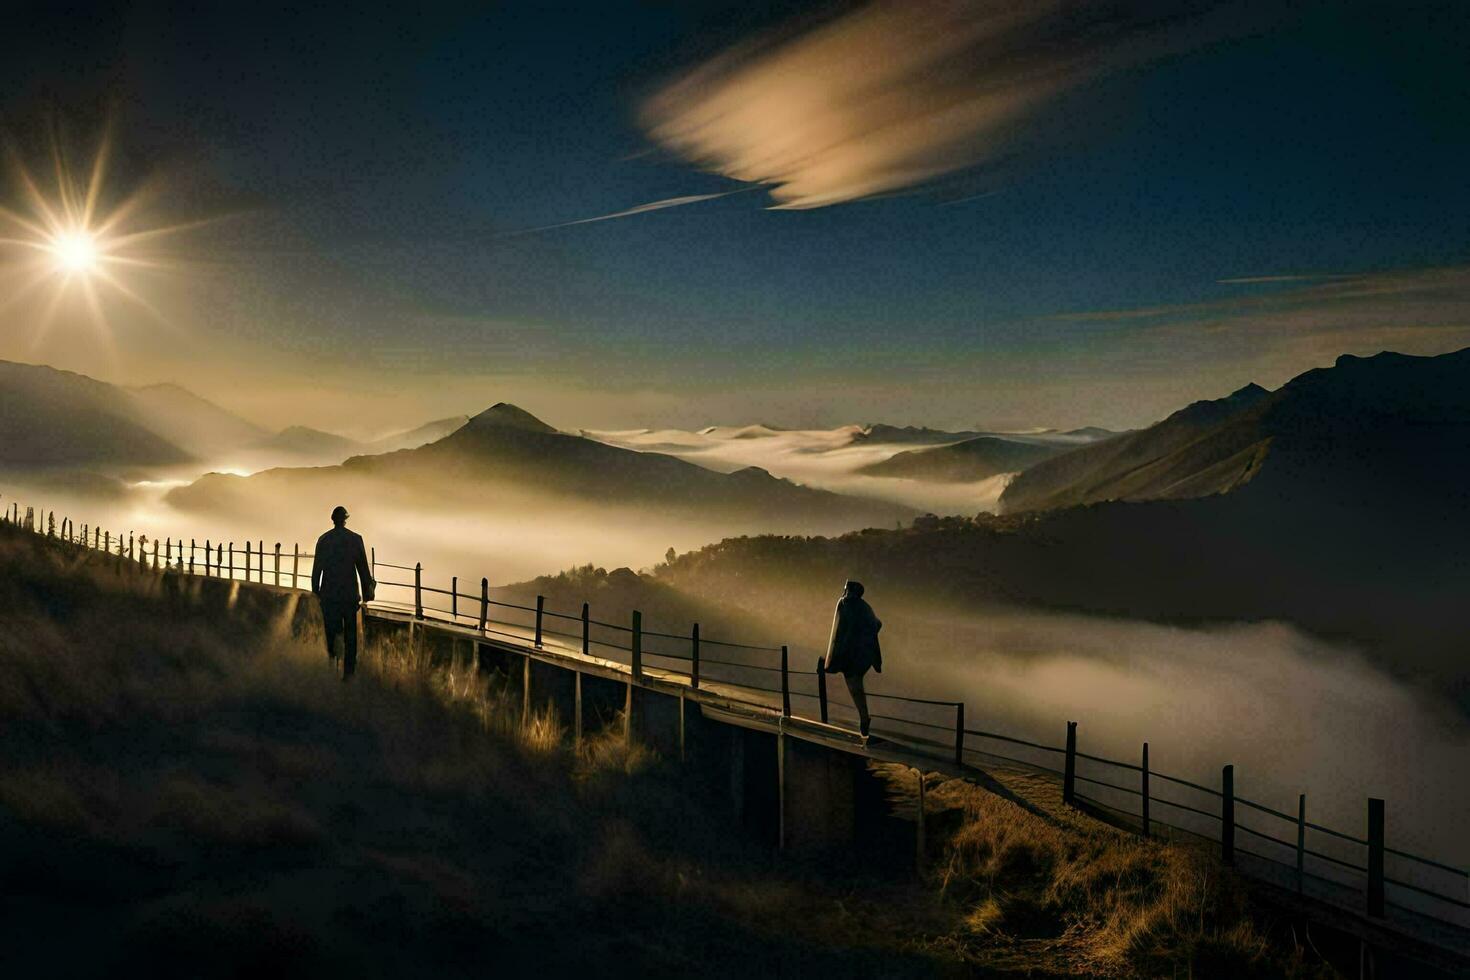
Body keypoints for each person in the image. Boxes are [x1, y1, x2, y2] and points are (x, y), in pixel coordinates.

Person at [312, 505, 375, 678]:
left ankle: (331, 667)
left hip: (329, 595)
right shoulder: (355, 539)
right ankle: (349, 673)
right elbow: (363, 570)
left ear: (333, 519)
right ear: (345, 519)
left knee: (331, 633)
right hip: (348, 596)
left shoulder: (324, 540)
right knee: (350, 637)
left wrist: (315, 591)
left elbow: (317, 569)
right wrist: (368, 592)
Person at [822, 579, 882, 738]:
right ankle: (864, 719)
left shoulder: (845, 602)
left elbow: (842, 630)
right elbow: (878, 624)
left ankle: (864, 719)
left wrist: (837, 656)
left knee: (855, 687)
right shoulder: (865, 606)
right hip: (864, 654)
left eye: (845, 588)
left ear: (849, 590)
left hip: (852, 654)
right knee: (856, 685)